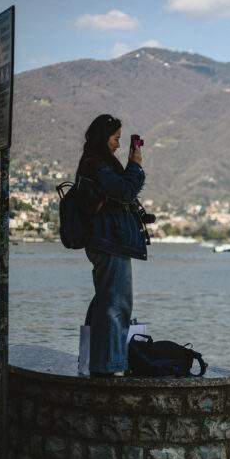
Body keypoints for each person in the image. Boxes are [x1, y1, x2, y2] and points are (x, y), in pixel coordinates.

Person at [76, 114, 147, 376]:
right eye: (115, 138)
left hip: (104, 239)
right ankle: (110, 366)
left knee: (104, 302)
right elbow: (125, 191)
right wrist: (135, 164)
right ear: (103, 138)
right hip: (109, 241)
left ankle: (90, 361)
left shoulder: (94, 163)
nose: (118, 145)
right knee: (117, 304)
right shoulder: (97, 165)